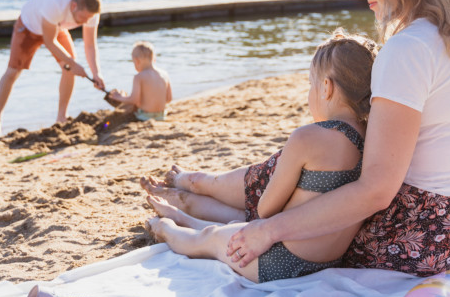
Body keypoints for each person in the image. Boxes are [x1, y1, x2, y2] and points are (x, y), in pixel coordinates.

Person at [147, 0, 450, 277]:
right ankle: (200, 199)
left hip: (436, 234)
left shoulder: (408, 49)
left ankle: (208, 202)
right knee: (321, 158)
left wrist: (269, 230)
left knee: (313, 166)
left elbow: (376, 192)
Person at [145, 30, 378, 283]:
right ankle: (182, 216)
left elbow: (265, 209)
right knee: (232, 226)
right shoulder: (374, 139)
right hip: (326, 262)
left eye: (311, 85)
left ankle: (164, 228)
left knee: (210, 238)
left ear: (326, 88)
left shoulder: (307, 138)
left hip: (278, 262)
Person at [0, 0, 105, 136]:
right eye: (83, 18)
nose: (85, 22)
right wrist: (73, 63)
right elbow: (49, 42)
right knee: (13, 72)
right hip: (29, 27)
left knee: (69, 69)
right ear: (74, 6)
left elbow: (90, 45)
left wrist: (96, 73)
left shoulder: (91, 12)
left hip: (56, 27)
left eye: (89, 18)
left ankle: (61, 118)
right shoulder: (55, 3)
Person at [108, 41, 173, 121]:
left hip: (145, 116)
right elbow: (169, 98)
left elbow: (134, 100)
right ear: (154, 59)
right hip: (161, 115)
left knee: (128, 109)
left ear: (137, 61)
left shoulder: (139, 77)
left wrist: (120, 97)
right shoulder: (164, 74)